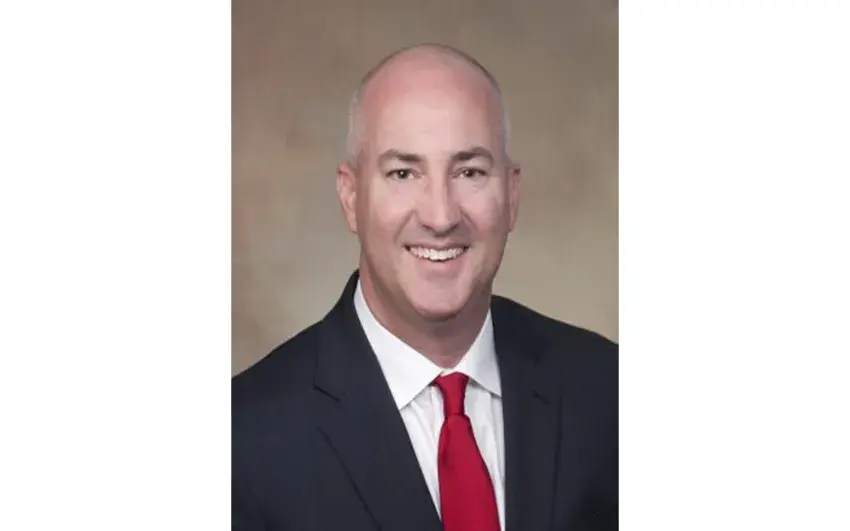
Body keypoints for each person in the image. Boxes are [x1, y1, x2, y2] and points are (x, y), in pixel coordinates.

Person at [232, 43, 618, 531]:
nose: (440, 216)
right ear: (350, 197)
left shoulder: (609, 391)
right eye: (403, 173)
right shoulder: (242, 441)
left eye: (470, 172)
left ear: (512, 193)